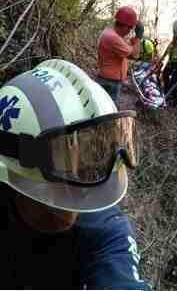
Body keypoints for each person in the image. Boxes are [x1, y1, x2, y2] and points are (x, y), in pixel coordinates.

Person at [0, 59, 150, 290]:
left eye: (91, 161)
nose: (80, 197)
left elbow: (118, 274)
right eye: (65, 159)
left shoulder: (105, 230)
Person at [97, 6, 144, 104]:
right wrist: (138, 37)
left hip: (109, 79)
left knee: (105, 106)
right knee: (109, 110)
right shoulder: (113, 37)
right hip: (110, 82)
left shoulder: (111, 33)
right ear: (124, 26)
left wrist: (133, 42)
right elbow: (134, 55)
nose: (130, 31)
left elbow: (128, 50)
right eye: (130, 28)